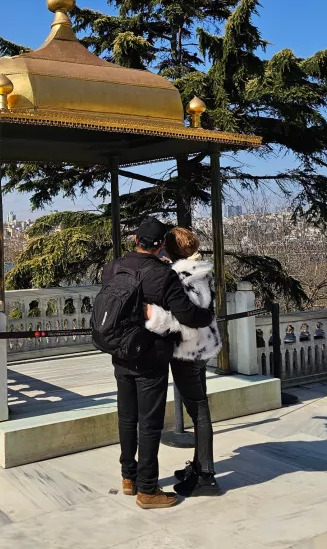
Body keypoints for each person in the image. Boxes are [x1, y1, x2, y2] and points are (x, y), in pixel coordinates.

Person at [101, 217, 215, 509]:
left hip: (120, 351)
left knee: (126, 418)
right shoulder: (162, 275)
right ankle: (148, 489)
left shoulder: (113, 267)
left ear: (136, 240)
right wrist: (209, 317)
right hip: (150, 355)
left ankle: (129, 478)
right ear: (160, 244)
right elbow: (189, 315)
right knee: (149, 424)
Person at [143, 226, 223, 497]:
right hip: (201, 348)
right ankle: (200, 466)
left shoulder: (181, 275)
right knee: (199, 408)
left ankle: (207, 476)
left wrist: (153, 315)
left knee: (199, 411)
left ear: (170, 249)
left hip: (187, 350)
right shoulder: (200, 269)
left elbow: (184, 315)